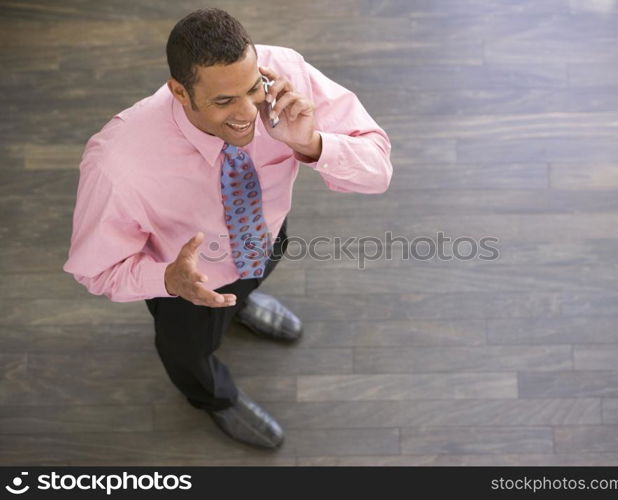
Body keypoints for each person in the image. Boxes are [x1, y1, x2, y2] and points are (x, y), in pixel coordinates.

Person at [63, 8, 392, 450]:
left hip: (267, 238)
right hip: (189, 286)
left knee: (255, 275)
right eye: (223, 101)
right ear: (180, 91)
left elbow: (378, 171)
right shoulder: (117, 163)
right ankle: (215, 399)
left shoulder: (286, 72)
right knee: (189, 353)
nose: (248, 115)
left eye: (253, 88)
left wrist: (310, 143)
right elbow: (96, 269)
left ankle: (242, 306)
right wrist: (166, 279)